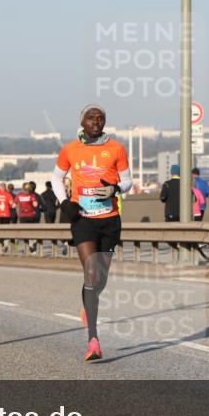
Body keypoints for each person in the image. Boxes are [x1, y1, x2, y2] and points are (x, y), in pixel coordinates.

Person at [51, 104, 132, 362]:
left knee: (101, 279)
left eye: (100, 119)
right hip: (83, 220)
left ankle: (89, 299)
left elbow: (128, 180)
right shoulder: (70, 149)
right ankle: (93, 340)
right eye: (91, 118)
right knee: (91, 271)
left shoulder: (116, 148)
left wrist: (115, 189)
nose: (96, 122)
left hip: (109, 221)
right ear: (82, 122)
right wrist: (65, 203)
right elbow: (56, 179)